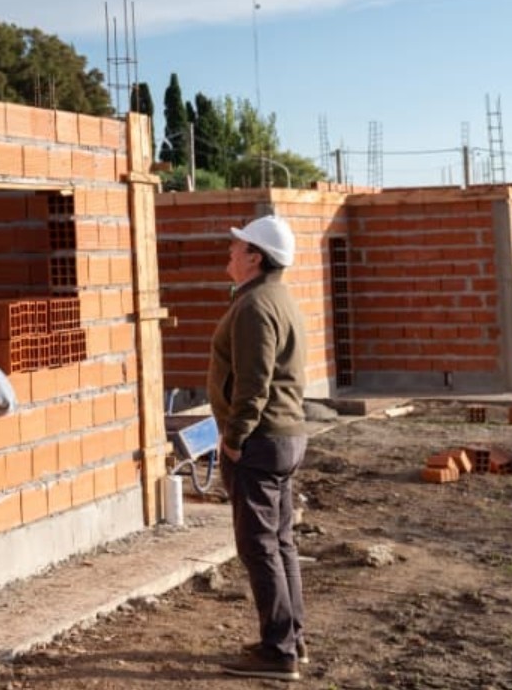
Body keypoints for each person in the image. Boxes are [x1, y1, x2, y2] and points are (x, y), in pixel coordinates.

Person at [209, 213, 309, 682]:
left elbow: (254, 383)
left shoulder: (254, 307)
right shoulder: (279, 298)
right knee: (280, 542)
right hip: (284, 437)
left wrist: (233, 439)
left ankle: (278, 651)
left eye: (238, 246)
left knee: (259, 546)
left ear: (255, 257)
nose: (230, 252)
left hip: (260, 440)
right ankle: (292, 639)